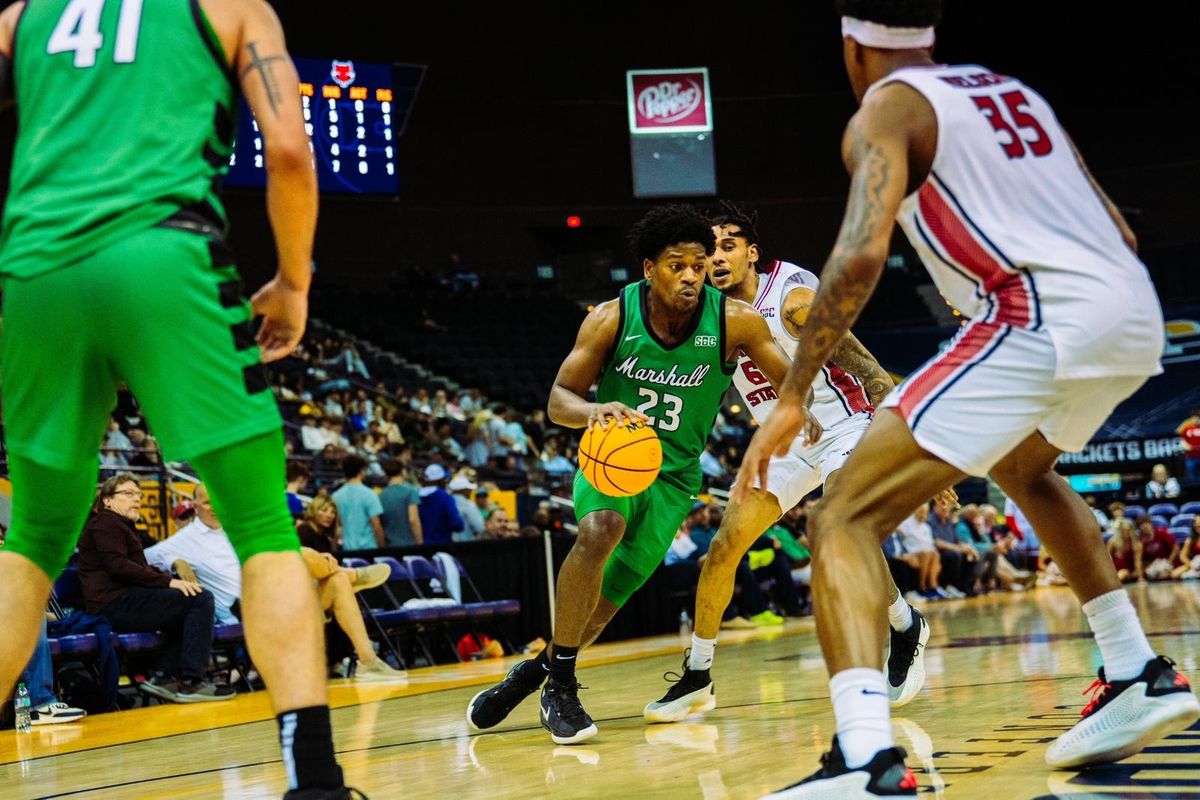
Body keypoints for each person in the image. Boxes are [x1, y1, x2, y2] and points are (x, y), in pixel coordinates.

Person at [733, 3, 1198, 795]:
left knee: (841, 516)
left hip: (1035, 313)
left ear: (852, 46)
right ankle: (1136, 670)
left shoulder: (884, 109)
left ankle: (865, 759)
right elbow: (1119, 231)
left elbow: (859, 255)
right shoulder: (1013, 95)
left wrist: (792, 394)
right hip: (1133, 309)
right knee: (1023, 468)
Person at [0, 0, 358, 792]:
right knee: (263, 529)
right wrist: (293, 282)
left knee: (31, 541)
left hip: (35, 271)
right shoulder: (233, 9)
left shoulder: (22, 17)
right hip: (165, 254)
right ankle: (316, 780)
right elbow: (289, 153)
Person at [466, 203, 798, 745]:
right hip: (612, 454)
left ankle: (532, 674)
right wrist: (593, 410)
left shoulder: (735, 320)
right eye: (676, 266)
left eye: (698, 266)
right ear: (649, 268)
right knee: (602, 529)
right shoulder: (610, 318)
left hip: (674, 478)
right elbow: (558, 399)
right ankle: (561, 687)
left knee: (604, 606)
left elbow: (793, 385)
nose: (690, 276)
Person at [78, 475, 232, 703]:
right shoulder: (105, 523)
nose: (136, 499)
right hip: (113, 604)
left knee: (189, 601)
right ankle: (192, 681)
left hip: (123, 601)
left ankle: (163, 676)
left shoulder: (121, 525)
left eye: (138, 495)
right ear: (107, 500)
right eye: (128, 494)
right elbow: (119, 566)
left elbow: (139, 567)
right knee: (199, 599)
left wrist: (170, 579)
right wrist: (169, 582)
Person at [332, 456, 385, 551]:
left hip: (347, 549)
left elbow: (336, 526)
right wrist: (382, 549)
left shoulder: (336, 496)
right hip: (369, 549)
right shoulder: (370, 494)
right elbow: (376, 526)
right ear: (362, 471)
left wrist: (334, 550)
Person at [378, 459, 423, 547]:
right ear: (403, 471)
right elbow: (413, 520)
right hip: (409, 544)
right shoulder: (411, 491)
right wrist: (420, 542)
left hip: (390, 544)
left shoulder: (381, 495)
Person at [417, 464, 464, 546]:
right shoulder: (444, 497)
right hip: (441, 544)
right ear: (441, 480)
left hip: (418, 545)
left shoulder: (415, 496)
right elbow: (456, 524)